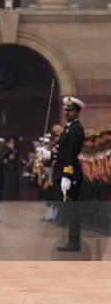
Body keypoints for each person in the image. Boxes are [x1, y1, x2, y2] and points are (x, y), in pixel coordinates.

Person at [54, 96, 85, 252]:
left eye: (70, 110)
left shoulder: (76, 129)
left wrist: (67, 175)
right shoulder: (69, 128)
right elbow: (62, 151)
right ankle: (72, 242)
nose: (67, 113)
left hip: (71, 174)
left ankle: (74, 243)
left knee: (73, 210)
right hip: (65, 172)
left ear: (77, 112)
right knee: (70, 209)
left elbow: (72, 155)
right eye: (65, 110)